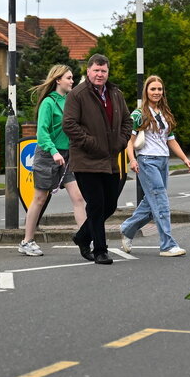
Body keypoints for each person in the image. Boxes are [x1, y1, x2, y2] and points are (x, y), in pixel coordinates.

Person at [63, 54, 133, 265]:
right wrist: (92, 143)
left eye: (103, 71)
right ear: (88, 71)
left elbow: (127, 121)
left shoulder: (115, 93)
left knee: (110, 204)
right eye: (96, 70)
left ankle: (82, 236)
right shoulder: (78, 94)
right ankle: (100, 250)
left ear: (107, 73)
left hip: (110, 159)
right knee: (95, 205)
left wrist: (120, 142)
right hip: (86, 160)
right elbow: (69, 124)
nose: (100, 74)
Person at [118, 75, 190, 257]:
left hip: (163, 161)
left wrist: (184, 158)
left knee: (152, 204)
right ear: (146, 91)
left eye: (159, 89)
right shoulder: (139, 114)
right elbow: (130, 140)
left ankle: (127, 228)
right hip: (147, 161)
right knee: (161, 202)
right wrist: (132, 159)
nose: (157, 92)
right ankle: (167, 245)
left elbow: (170, 139)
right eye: (153, 89)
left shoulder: (165, 113)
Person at [18, 64, 87, 257]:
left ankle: (85, 240)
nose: (72, 81)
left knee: (78, 198)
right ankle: (26, 241)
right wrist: (54, 152)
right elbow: (42, 132)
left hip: (68, 156)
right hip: (48, 155)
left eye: (73, 78)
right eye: (68, 78)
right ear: (58, 80)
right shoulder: (49, 103)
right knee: (39, 199)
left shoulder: (71, 101)